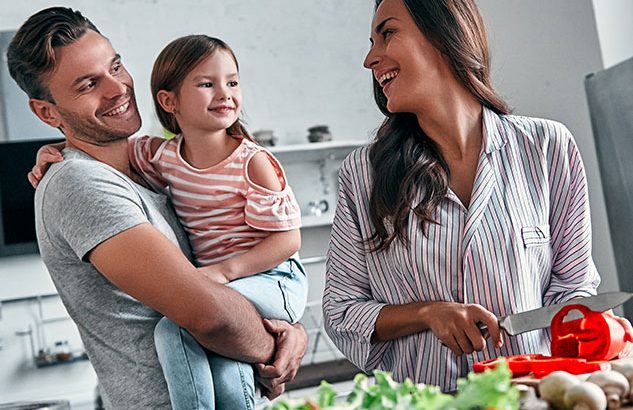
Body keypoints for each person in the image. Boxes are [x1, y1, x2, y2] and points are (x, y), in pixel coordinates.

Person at [322, 0, 633, 392]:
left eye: (387, 33)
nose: (370, 58)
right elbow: (341, 312)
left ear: (445, 34)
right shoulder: (363, 174)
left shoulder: (547, 146)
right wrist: (428, 313)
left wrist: (598, 332)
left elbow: (572, 288)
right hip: (426, 400)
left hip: (532, 396)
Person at [8, 7, 307, 409]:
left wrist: (289, 329)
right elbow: (210, 316)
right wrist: (276, 343)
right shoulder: (79, 184)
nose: (117, 89)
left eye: (116, 66)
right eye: (89, 84)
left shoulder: (152, 169)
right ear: (46, 112)